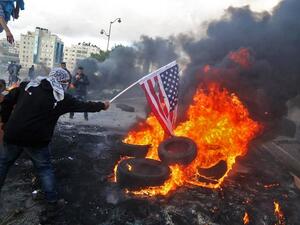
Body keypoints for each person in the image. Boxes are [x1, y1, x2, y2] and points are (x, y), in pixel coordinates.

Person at [0, 68, 109, 216]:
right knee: (45, 169)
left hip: (13, 134)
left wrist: (5, 122)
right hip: (36, 140)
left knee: (4, 163)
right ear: (62, 82)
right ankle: (52, 201)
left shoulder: (28, 85)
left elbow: (6, 101)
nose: (66, 85)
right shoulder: (61, 98)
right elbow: (85, 105)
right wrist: (102, 105)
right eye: (66, 82)